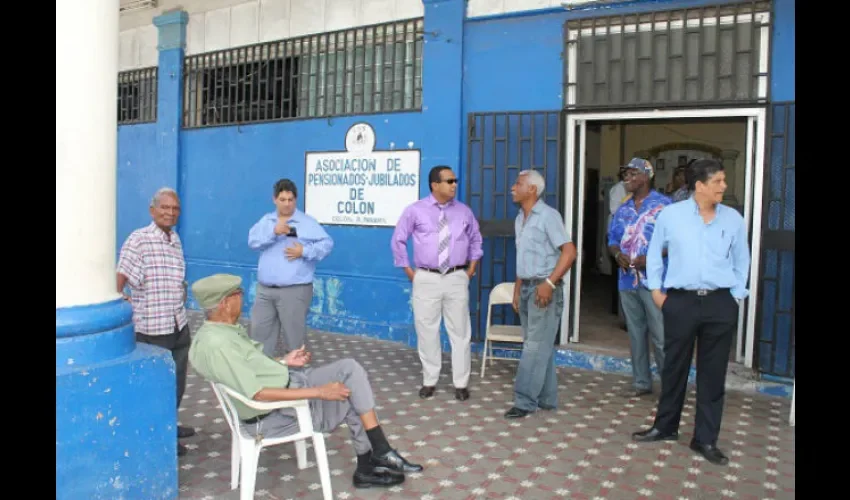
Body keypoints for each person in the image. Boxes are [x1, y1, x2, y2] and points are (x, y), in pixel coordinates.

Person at [188, 273, 423, 488]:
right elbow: (257, 393)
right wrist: (320, 392)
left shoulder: (219, 332)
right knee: (352, 392)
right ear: (225, 303)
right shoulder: (219, 345)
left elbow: (249, 369)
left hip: (289, 383)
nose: (242, 298)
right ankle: (373, 459)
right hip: (276, 414)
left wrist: (283, 361)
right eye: (237, 295)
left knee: (350, 369)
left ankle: (377, 454)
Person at [632, 158, 751, 466]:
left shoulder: (733, 219)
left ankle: (705, 439)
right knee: (674, 368)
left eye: (724, 181)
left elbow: (742, 260)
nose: (724, 186)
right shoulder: (671, 216)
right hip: (680, 302)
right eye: (718, 182)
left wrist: (735, 295)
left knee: (712, 376)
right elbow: (655, 253)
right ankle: (665, 426)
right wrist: (657, 292)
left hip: (719, 302)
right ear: (699, 186)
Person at [390, 165, 483, 401]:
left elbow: (476, 240)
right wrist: (410, 271)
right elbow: (398, 240)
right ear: (435, 185)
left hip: (456, 277)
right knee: (427, 330)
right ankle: (429, 380)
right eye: (449, 181)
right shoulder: (415, 211)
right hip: (426, 277)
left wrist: (470, 269)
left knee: (460, 331)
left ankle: (461, 383)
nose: (454, 185)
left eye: (455, 181)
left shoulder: (464, 212)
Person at [116, 187, 195, 456]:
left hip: (177, 323)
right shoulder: (139, 240)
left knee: (177, 382)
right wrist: (122, 300)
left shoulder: (175, 239)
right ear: (152, 210)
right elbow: (120, 277)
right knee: (156, 386)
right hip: (152, 328)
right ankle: (160, 437)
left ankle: (168, 424)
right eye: (164, 207)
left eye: (175, 209)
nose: (170, 212)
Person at [504, 170, 577, 419]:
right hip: (526, 288)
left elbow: (569, 252)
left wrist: (549, 283)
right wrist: (517, 289)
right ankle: (547, 399)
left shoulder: (548, 216)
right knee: (538, 344)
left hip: (544, 290)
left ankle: (524, 401)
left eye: (518, 183)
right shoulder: (520, 219)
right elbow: (522, 257)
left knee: (533, 346)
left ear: (532, 189)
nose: (512, 187)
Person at [248, 179, 333, 357]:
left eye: (291, 199)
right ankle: (262, 376)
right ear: (274, 200)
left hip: (295, 291)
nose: (287, 204)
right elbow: (252, 242)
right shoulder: (267, 221)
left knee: (294, 339)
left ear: (295, 200)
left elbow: (327, 244)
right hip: (265, 291)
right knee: (259, 335)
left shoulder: (306, 222)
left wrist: (305, 250)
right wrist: (273, 232)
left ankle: (297, 377)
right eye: (283, 199)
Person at [608, 158, 671, 398]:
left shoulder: (665, 206)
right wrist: (617, 255)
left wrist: (653, 256)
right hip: (626, 280)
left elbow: (676, 242)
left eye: (633, 173)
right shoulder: (623, 208)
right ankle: (641, 382)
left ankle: (670, 387)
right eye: (626, 173)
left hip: (654, 282)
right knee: (636, 334)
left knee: (661, 336)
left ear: (646, 176)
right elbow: (612, 239)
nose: (628, 178)